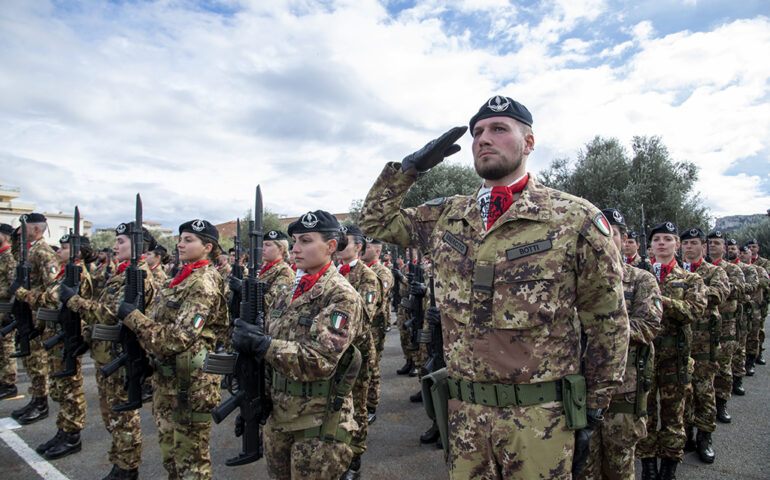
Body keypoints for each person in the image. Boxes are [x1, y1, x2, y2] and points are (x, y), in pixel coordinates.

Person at [359, 95, 630, 479]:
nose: (483, 139)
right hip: (465, 415)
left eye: (499, 129)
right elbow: (375, 223)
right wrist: (408, 170)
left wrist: (594, 410)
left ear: (529, 143)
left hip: (540, 421)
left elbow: (607, 322)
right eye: (477, 132)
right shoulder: (448, 215)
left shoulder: (575, 219)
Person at [231, 210, 364, 480]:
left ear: (330, 247)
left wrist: (263, 345)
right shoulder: (286, 292)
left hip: (317, 422)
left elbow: (320, 360)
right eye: (294, 241)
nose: (295, 249)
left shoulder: (341, 295)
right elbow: (267, 357)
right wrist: (253, 399)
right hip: (279, 417)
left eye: (305, 241)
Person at [115, 219, 228, 480]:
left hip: (191, 386)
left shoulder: (203, 283)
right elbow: (158, 322)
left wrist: (133, 318)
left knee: (191, 464)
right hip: (168, 381)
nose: (180, 243)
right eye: (181, 238)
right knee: (171, 457)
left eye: (189, 240)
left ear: (208, 247)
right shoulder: (179, 279)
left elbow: (178, 338)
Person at [60, 223, 159, 480]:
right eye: (115, 242)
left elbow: (109, 313)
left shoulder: (139, 276)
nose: (115, 247)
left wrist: (74, 300)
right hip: (106, 354)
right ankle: (119, 462)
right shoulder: (122, 273)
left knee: (123, 416)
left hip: (120, 357)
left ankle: (127, 467)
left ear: (138, 246)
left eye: (121, 242)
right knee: (110, 414)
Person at [580, 209, 661, 480]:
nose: (602, 240)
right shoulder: (577, 281)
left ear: (623, 238)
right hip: (582, 390)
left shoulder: (642, 280)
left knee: (618, 468)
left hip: (623, 391)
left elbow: (648, 325)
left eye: (610, 234)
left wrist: (602, 330)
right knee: (582, 468)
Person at [635, 222, 707, 480]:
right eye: (657, 239)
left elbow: (694, 311)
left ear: (676, 244)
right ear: (650, 245)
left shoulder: (691, 279)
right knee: (644, 414)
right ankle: (648, 465)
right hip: (644, 358)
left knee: (673, 417)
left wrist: (657, 297)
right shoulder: (638, 275)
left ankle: (669, 467)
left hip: (674, 360)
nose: (662, 243)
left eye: (667, 239)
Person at [17, 233, 93, 459]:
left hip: (67, 337)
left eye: (64, 247)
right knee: (60, 386)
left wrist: (21, 292)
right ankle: (63, 429)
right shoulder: (64, 272)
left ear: (77, 252)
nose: (58, 251)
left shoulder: (77, 273)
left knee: (70, 388)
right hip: (56, 335)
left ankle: (72, 435)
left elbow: (51, 297)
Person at [679, 227, 729, 464]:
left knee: (704, 391)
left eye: (694, 243)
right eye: (685, 243)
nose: (689, 247)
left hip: (704, 344)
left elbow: (720, 294)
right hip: (680, 342)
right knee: (682, 391)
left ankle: (705, 437)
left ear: (703, 246)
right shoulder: (674, 270)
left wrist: (692, 289)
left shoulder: (714, 272)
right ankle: (686, 434)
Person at [335, 224, 380, 480]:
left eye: (345, 242)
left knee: (358, 407)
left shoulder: (367, 277)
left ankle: (355, 458)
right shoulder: (332, 272)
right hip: (334, 354)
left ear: (358, 247)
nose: (339, 246)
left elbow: (364, 316)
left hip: (356, 354)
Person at [9, 213, 59, 425]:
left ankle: (41, 403)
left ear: (37, 230)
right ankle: (35, 398)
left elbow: (54, 294)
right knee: (30, 360)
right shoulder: (27, 251)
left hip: (38, 320)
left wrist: (22, 294)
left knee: (38, 362)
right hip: (26, 315)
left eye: (24, 227)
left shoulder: (44, 253)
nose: (20, 231)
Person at [707, 231, 745, 424]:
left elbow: (740, 290)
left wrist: (720, 286)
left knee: (723, 365)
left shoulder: (731, 269)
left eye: (717, 243)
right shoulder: (697, 268)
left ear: (724, 247)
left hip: (726, 324)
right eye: (710, 242)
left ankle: (721, 402)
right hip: (703, 326)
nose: (712, 245)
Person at [361, 237, 394, 425]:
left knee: (372, 365)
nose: (364, 249)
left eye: (368, 247)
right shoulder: (357, 269)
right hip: (362, 328)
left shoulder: (382, 272)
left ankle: (371, 404)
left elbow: (377, 300)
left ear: (377, 251)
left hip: (374, 326)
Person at [726, 239, 758, 396]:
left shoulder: (747, 269)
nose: (730, 250)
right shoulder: (718, 268)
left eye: (733, 248)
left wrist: (729, 286)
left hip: (741, 312)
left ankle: (738, 378)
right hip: (720, 317)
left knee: (739, 346)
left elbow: (755, 286)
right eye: (729, 248)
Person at [738, 245, 767, 377]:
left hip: (755, 306)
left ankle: (751, 360)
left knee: (754, 334)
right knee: (742, 336)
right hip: (741, 308)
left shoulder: (758, 269)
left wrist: (751, 280)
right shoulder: (735, 269)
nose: (743, 255)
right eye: (741, 252)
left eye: (746, 253)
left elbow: (765, 282)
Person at [0, 223, 18, 400]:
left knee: (6, 346)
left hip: (5, 308)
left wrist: (11, 313)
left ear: (6, 237)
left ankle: (9, 382)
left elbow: (14, 286)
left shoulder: (8, 258)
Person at [745, 238, 769, 365]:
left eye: (753, 247)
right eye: (749, 247)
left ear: (757, 248)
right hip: (747, 302)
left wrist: (752, 280)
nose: (751, 249)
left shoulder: (764, 263)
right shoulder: (741, 265)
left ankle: (757, 353)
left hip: (760, 300)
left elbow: (765, 281)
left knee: (758, 329)